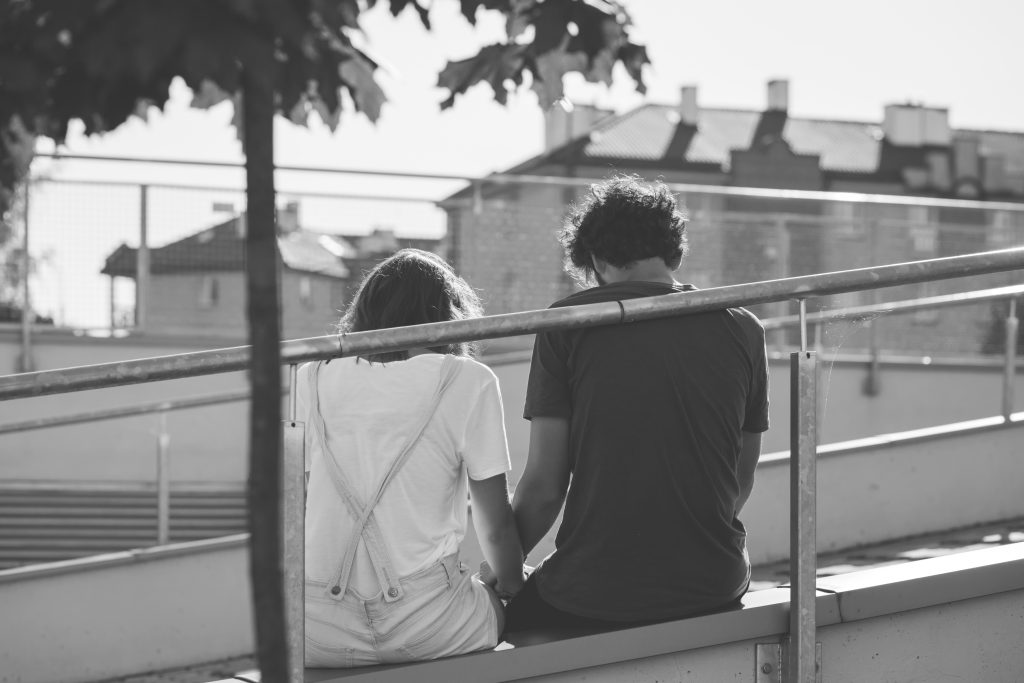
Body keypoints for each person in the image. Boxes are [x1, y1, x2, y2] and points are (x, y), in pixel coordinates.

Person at [505, 175, 769, 631]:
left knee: (504, 620)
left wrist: (504, 569)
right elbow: (739, 478)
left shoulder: (570, 322)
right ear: (676, 252)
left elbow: (546, 486)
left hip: (593, 592)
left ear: (594, 259)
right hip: (715, 581)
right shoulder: (744, 326)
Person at [298, 249, 524, 666]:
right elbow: (493, 524)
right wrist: (512, 584)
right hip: (430, 625)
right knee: (498, 607)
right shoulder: (468, 379)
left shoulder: (311, 376)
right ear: (450, 315)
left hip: (317, 631)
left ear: (363, 313)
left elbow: (305, 498)